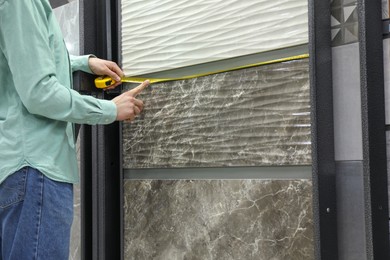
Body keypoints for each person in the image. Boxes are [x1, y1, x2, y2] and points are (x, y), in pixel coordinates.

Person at [0, 0, 149, 259]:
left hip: (20, 168)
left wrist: (82, 64)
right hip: (36, 168)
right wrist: (110, 110)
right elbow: (39, 93)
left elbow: (24, 58)